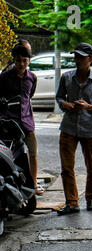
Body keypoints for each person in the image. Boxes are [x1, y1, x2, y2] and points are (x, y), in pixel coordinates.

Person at [55, 42, 92, 215]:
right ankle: (72, 202)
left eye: (81, 57)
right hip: (68, 127)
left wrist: (87, 107)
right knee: (66, 168)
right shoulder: (66, 77)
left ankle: (90, 198)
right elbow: (59, 98)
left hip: (90, 129)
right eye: (76, 56)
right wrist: (67, 105)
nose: (77, 60)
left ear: (90, 59)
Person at [0, 43, 44, 196]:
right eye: (18, 61)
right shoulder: (4, 77)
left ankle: (34, 182)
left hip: (27, 122)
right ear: (14, 60)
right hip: (8, 124)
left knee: (32, 153)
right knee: (9, 155)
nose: (21, 64)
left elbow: (28, 97)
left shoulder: (32, 78)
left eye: (25, 61)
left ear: (29, 61)